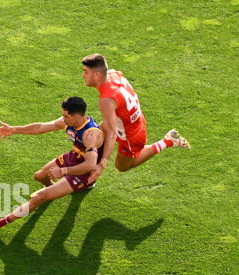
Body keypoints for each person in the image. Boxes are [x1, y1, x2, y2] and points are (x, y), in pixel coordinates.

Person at [0, 96, 103, 235]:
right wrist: (13, 129)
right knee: (39, 176)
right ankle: (51, 188)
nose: (63, 119)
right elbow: (41, 128)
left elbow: (90, 164)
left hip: (84, 172)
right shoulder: (68, 122)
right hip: (74, 157)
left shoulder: (90, 134)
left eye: (66, 116)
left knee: (38, 197)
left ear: (76, 116)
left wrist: (63, 171)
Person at [81, 54, 190, 183]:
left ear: (97, 75)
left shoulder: (106, 100)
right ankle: (87, 172)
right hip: (133, 121)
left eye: (86, 72)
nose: (83, 75)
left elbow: (112, 134)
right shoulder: (112, 74)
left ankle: (167, 141)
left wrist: (102, 164)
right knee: (95, 136)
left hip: (131, 137)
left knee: (121, 166)